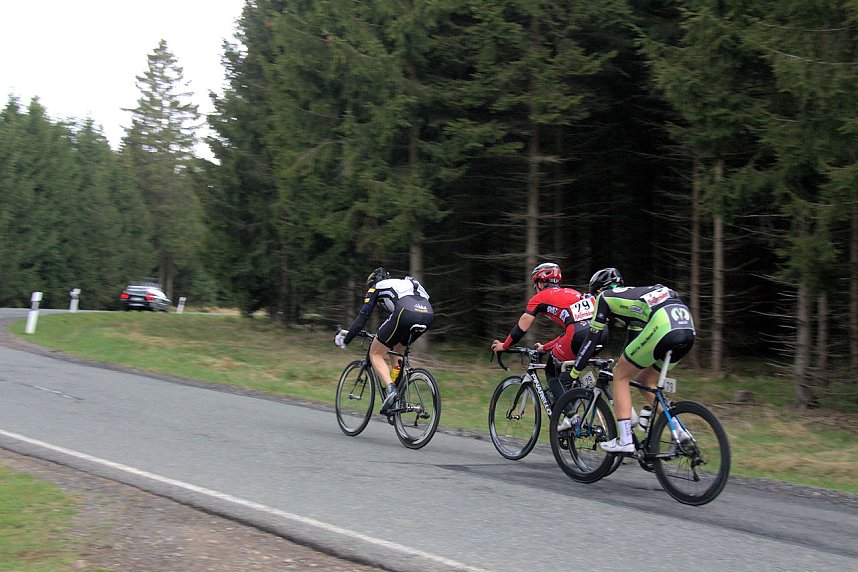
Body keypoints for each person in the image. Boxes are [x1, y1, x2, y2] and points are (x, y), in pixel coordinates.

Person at [564, 267, 696, 453]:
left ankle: (625, 439)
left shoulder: (604, 298)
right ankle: (681, 432)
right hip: (687, 327)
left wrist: (574, 372)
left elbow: (592, 339)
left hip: (664, 324)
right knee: (645, 381)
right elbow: (633, 344)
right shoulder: (636, 297)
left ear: (599, 292)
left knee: (620, 375)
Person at [490, 262, 602, 403]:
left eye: (536, 284)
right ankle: (577, 402)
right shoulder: (572, 292)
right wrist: (545, 347)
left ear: (541, 283)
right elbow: (571, 331)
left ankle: (571, 418)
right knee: (566, 373)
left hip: (579, 335)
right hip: (601, 334)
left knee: (551, 372)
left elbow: (521, 327)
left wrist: (504, 346)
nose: (536, 288)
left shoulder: (539, 298)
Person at [335, 267, 434, 414]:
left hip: (405, 312)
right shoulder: (404, 283)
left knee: (375, 353)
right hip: (428, 314)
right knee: (395, 349)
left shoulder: (376, 287)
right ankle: (399, 392)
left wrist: (346, 340)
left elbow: (362, 319)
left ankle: (391, 390)